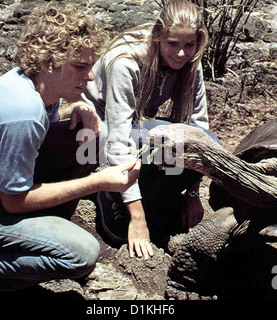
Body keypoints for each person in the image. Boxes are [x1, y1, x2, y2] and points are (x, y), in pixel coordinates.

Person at [0, 2, 141, 300]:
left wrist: (76, 108)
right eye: (80, 66)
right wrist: (98, 182)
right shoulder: (22, 111)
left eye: (91, 66)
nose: (90, 77)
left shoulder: (33, 87)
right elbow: (14, 200)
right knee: (82, 253)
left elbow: (42, 127)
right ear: (50, 62)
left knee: (88, 137)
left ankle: (41, 235)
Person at [81, 0, 220, 259]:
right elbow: (118, 137)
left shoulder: (192, 59)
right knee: (153, 146)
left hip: (137, 125)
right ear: (158, 36)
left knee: (210, 143)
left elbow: (198, 127)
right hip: (94, 137)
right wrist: (138, 216)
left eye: (189, 45)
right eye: (172, 44)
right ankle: (111, 195)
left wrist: (192, 191)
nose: (181, 54)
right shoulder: (125, 62)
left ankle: (150, 193)